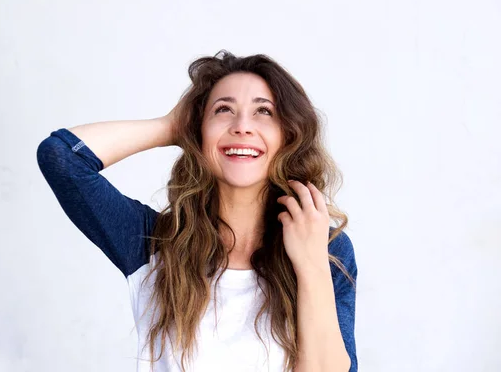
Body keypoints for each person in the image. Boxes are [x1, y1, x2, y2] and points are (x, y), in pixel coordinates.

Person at [36, 50, 358, 372]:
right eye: (223, 110)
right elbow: (62, 157)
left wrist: (311, 265)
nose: (242, 126)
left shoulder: (328, 250)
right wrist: (170, 126)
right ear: (198, 130)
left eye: (263, 111)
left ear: (288, 134)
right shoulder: (152, 243)